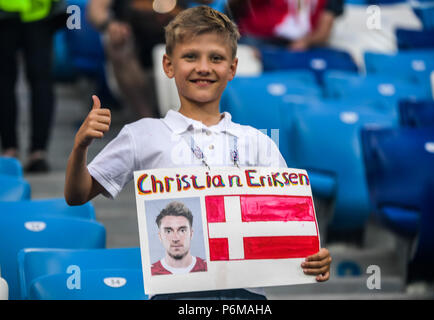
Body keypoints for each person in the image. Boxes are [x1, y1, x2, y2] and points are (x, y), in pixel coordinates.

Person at [65, 5, 332, 299]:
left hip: (246, 297)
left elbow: (287, 224)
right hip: (175, 294)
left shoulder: (258, 142)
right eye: (190, 56)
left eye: (216, 58)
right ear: (168, 65)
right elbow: (77, 195)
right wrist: (80, 147)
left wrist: (313, 256)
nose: (203, 67)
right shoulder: (142, 134)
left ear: (232, 68)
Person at [0, 0, 67, 172]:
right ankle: (34, 152)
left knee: (34, 83)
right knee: (37, 82)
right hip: (32, 11)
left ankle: (23, 151)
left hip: (35, 12)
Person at [227, 0, 344, 51]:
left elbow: (323, 32)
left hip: (306, 44)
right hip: (259, 39)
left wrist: (305, 42)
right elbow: (232, 8)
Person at [152, 201, 207, 275]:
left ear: (191, 234)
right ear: (160, 236)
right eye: (168, 231)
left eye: (182, 230)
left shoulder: (207, 267)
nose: (175, 238)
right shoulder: (150, 272)